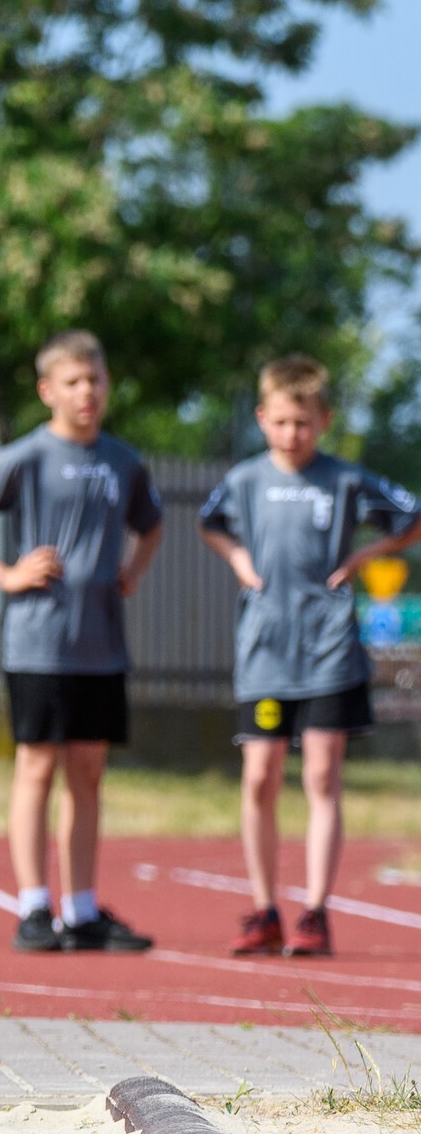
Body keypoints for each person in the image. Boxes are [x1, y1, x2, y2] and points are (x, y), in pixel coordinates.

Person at [0, 331, 163, 953]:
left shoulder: (123, 462)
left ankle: (81, 910)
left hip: (101, 644)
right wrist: (4, 574)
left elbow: (152, 523)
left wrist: (133, 572)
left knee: (88, 772)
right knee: (37, 766)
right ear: (47, 390)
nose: (87, 392)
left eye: (95, 380)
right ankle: (34, 907)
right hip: (39, 642)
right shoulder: (26, 456)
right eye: (73, 382)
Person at [199, 355, 421, 957]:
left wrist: (362, 558)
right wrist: (240, 560)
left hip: (328, 648)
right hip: (266, 651)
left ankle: (316, 912)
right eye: (280, 422)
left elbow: (410, 517)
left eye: (303, 423)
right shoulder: (245, 480)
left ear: (324, 420)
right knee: (260, 775)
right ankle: (264, 908)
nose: (291, 434)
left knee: (323, 775)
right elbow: (209, 522)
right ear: (261, 418)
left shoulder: (345, 479)